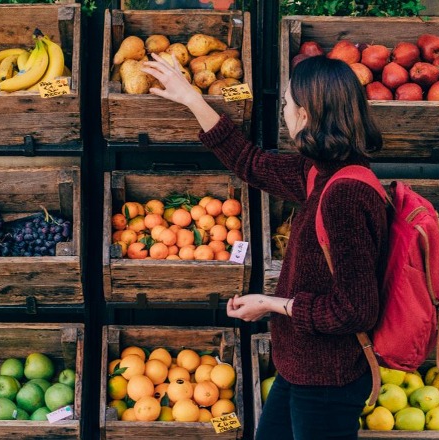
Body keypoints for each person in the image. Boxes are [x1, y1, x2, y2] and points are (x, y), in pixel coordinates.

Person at [142, 55, 388, 439]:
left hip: (327, 381)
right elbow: (250, 163)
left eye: (287, 105)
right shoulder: (320, 172)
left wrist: (273, 305)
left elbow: (356, 310)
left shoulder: (345, 195)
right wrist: (192, 99)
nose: (284, 113)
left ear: (305, 115)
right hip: (301, 368)